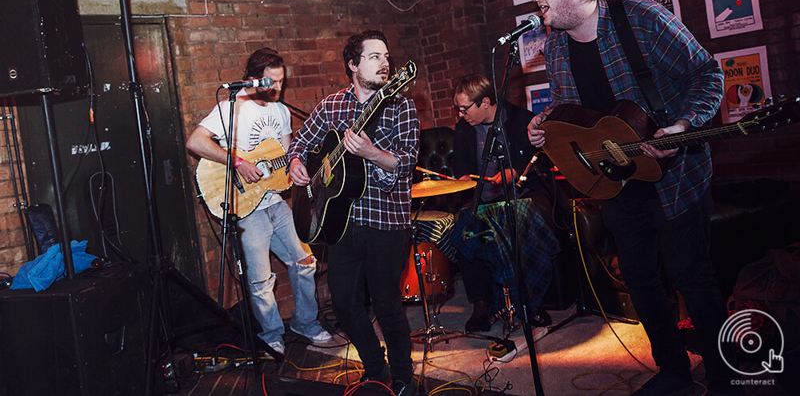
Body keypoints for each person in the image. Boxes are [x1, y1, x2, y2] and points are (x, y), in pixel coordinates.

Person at [526, 0, 738, 395]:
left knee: (692, 278)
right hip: (616, 183)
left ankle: (724, 379)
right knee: (640, 279)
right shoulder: (556, 47)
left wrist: (682, 124)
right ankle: (675, 373)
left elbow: (707, 74)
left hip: (676, 177)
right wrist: (545, 127)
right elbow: (577, 116)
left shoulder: (640, 19)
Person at [287, 31, 420, 396]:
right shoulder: (331, 107)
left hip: (386, 220)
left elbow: (406, 164)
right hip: (340, 222)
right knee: (343, 303)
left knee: (387, 304)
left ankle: (404, 377)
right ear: (353, 65)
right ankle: (375, 369)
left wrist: (371, 153)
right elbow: (300, 140)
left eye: (387, 56)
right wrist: (297, 162)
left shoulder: (400, 106)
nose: (385, 62)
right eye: (374, 56)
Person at [186, 47, 332, 356]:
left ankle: (305, 323)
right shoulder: (232, 107)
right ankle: (271, 333)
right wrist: (238, 162)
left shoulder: (280, 111)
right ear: (253, 80)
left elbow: (289, 153)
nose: (278, 88)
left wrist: (297, 165)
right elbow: (195, 142)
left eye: (282, 81)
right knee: (260, 280)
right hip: (245, 207)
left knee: (305, 262)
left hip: (276, 202)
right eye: (272, 82)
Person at [450, 74, 555, 332]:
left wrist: (515, 171)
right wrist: (463, 178)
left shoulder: (521, 119)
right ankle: (482, 306)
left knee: (520, 221)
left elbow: (543, 159)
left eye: (465, 109)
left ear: (485, 102)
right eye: (458, 109)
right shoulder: (463, 129)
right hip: (482, 199)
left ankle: (531, 304)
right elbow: (460, 166)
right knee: (465, 227)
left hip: (525, 194)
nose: (461, 115)